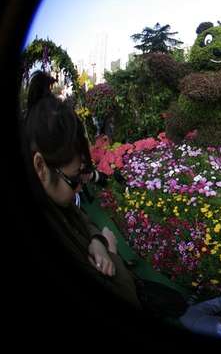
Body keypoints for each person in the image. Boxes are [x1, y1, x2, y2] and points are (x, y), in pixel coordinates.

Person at [21, 73, 187, 320]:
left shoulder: (54, 199)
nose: (79, 189)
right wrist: (110, 250)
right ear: (40, 167)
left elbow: (79, 216)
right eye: (74, 179)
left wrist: (96, 240)